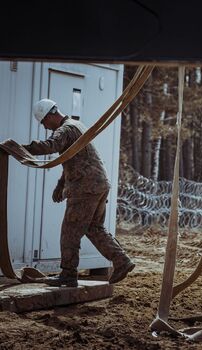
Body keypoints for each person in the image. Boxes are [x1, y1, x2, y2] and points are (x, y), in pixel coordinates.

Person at [22, 98, 135, 287]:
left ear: (50, 115)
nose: (45, 127)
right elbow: (73, 160)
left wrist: (22, 149)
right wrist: (60, 185)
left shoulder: (65, 129)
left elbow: (51, 146)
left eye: (44, 123)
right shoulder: (76, 125)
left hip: (85, 188)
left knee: (69, 232)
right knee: (93, 228)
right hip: (98, 184)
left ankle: (68, 275)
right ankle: (122, 261)